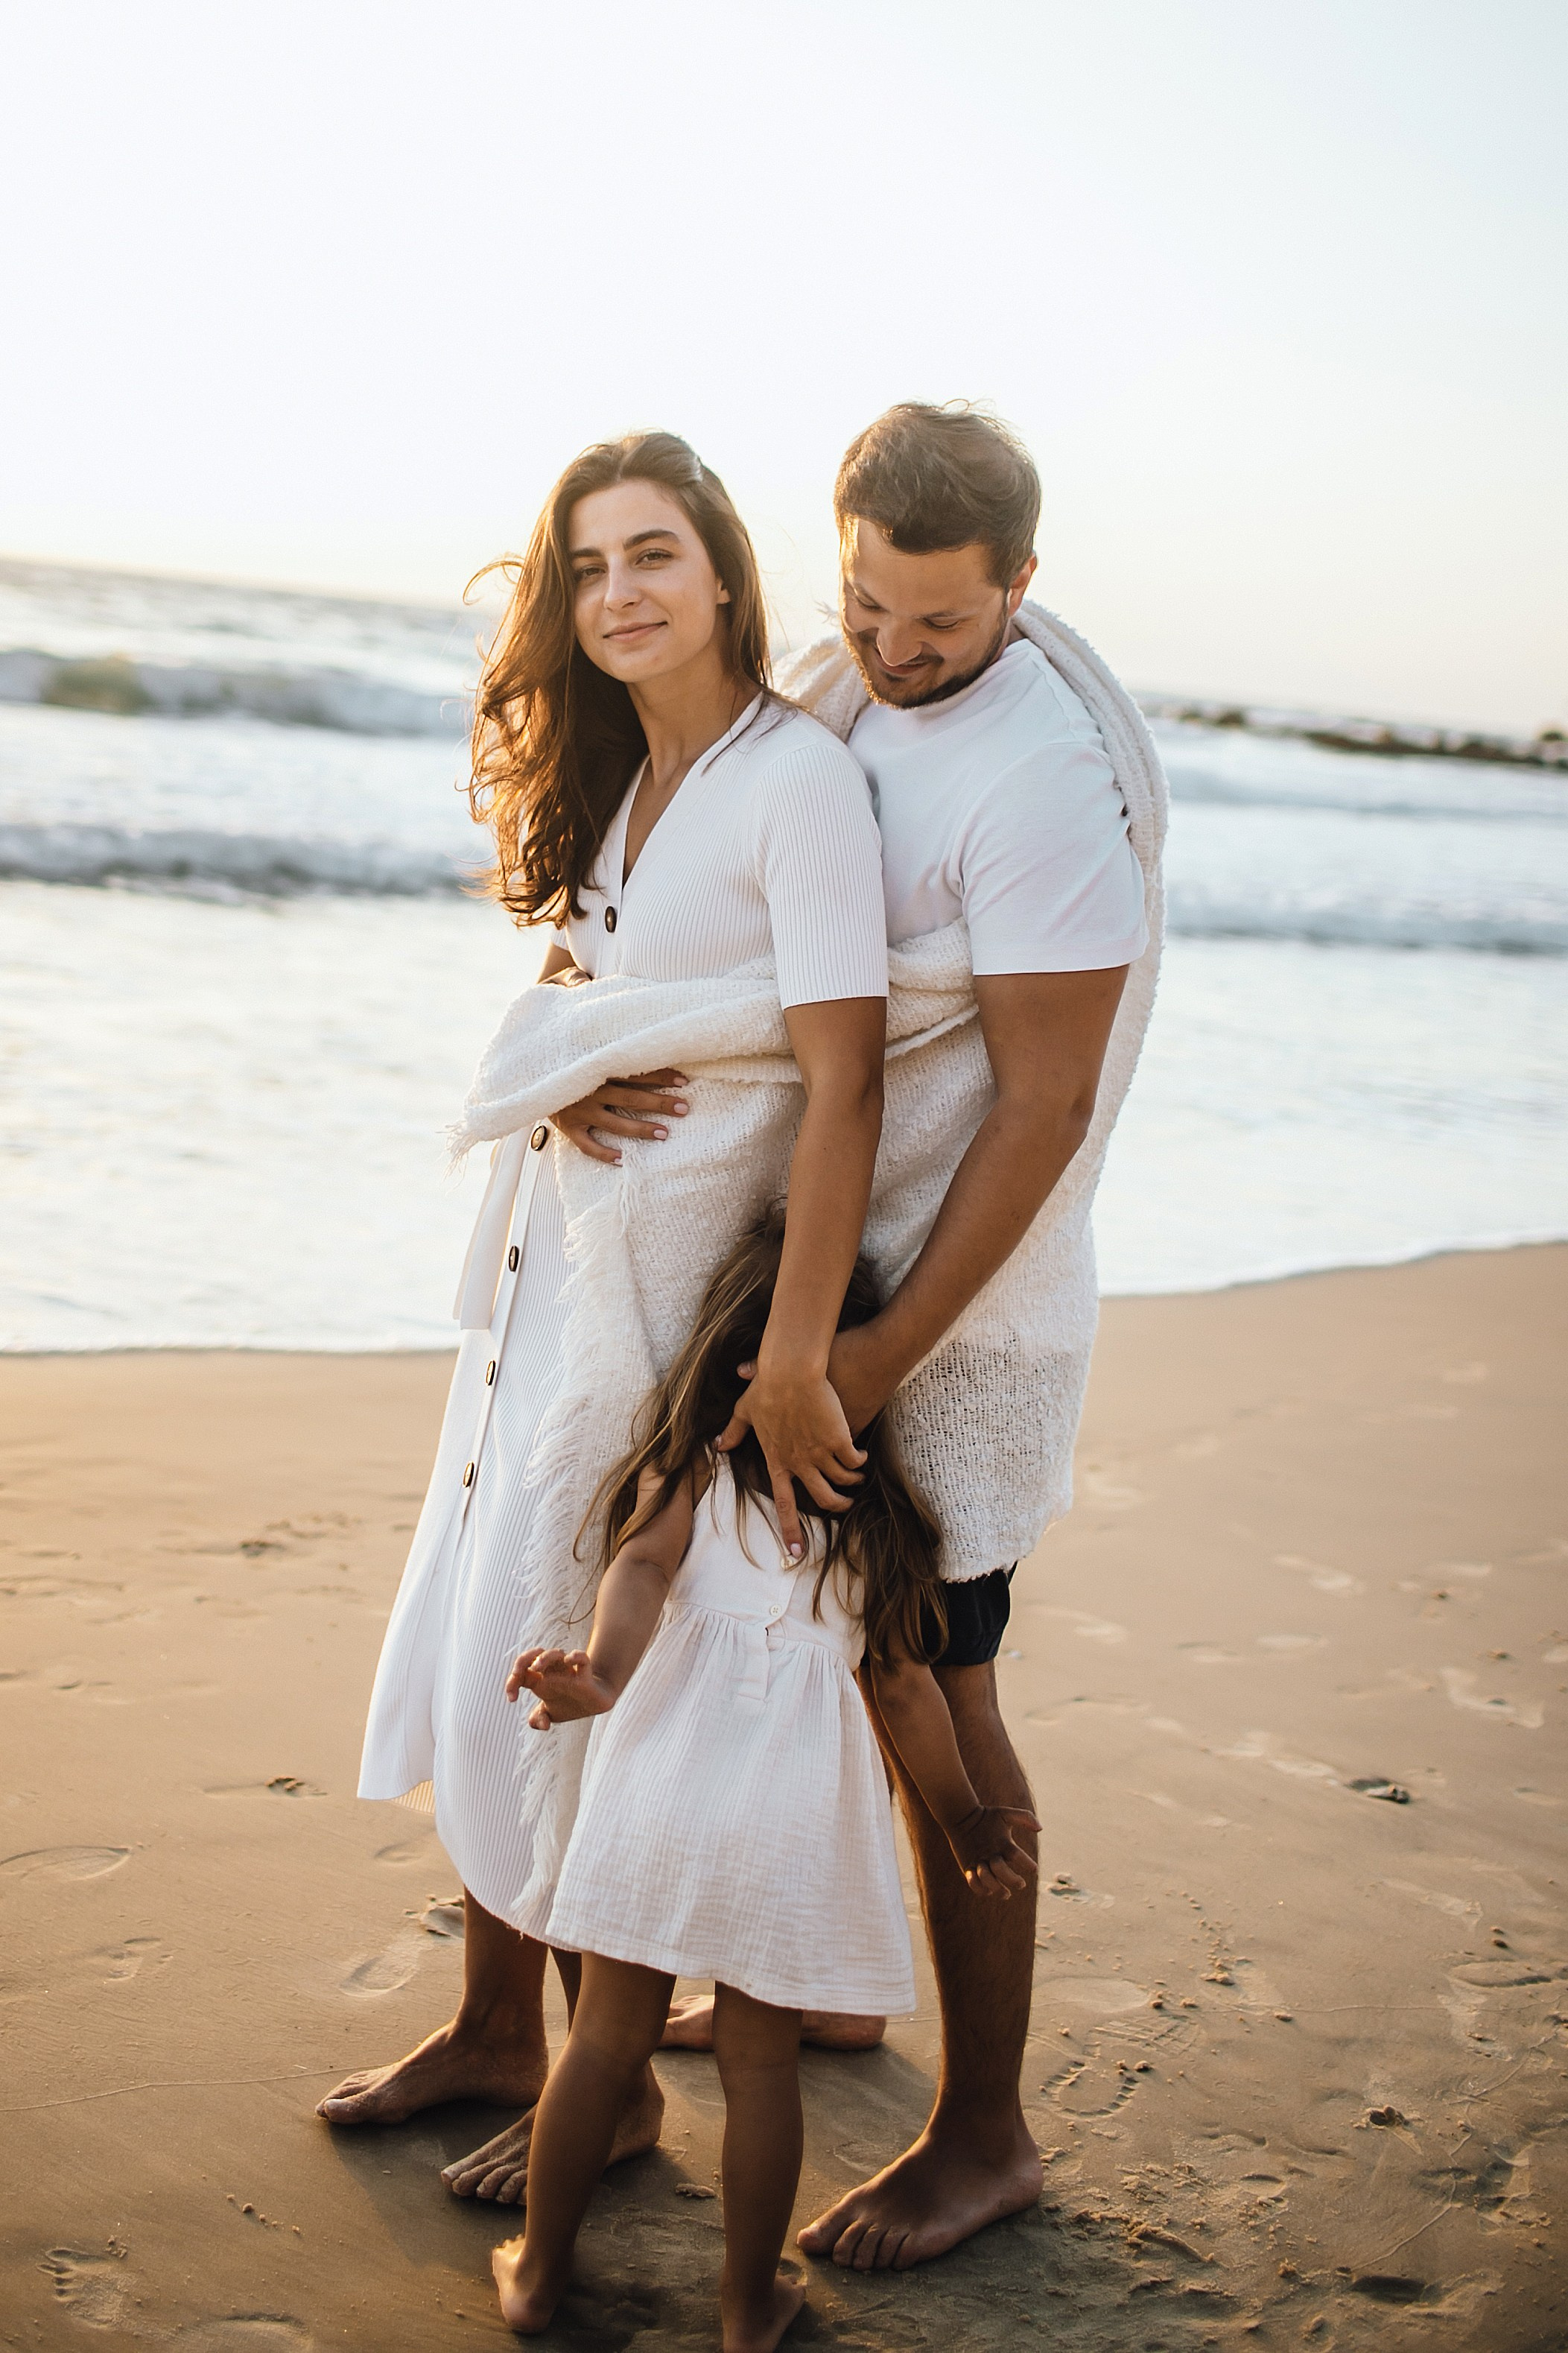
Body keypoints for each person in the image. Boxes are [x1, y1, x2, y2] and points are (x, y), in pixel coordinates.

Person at [318, 431, 889, 2204]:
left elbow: (843, 1073)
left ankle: (607, 2074)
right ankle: (500, 2022)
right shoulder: (622, 779)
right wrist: (568, 1070)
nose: (621, 593)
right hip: (549, 1270)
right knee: (484, 1619)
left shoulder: (792, 784)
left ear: (724, 568)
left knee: (570, 1649)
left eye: (653, 553)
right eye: (586, 566)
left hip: (662, 1300)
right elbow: (602, 985)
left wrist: (791, 1354)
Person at [667, 402, 1166, 2272]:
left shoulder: (1041, 781)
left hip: (969, 1319)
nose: (887, 649)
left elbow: (1041, 1110)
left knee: (938, 1683)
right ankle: (840, 1998)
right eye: (868, 602)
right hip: (848, 1269)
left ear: (1022, 590)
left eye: (937, 624)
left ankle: (988, 2129)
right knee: (834, 1656)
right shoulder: (849, 684)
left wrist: (864, 1368)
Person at [489, 1219, 1037, 2349]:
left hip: (664, 1785)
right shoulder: (882, 1524)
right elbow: (903, 1691)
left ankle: (538, 2271)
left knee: (603, 2036)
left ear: (732, 1353)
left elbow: (637, 1568)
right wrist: (964, 1816)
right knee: (757, 2060)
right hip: (794, 1815)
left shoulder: (686, 1468)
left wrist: (600, 1672)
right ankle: (747, 2306)